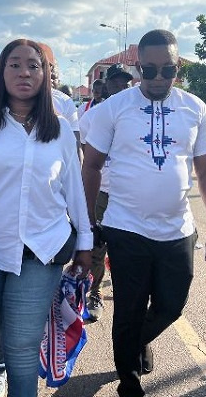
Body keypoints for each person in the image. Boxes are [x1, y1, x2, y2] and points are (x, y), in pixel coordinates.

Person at [82, 29, 206, 397]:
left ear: (178, 68)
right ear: (136, 66)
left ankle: (132, 343)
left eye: (168, 70)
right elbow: (92, 166)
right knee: (128, 308)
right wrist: (87, 223)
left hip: (178, 229)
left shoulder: (195, 108)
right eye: (149, 70)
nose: (159, 78)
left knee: (171, 306)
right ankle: (129, 382)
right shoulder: (114, 109)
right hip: (126, 227)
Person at [0, 38, 92, 397]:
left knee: (22, 342)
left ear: (46, 75)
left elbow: (74, 190)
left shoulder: (58, 130)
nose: (24, 72)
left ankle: (15, 380)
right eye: (14, 64)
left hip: (42, 250)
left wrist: (86, 243)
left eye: (34, 65)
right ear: (1, 72)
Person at [80, 63, 132, 322]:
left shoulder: (139, 114)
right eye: (116, 82)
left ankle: (128, 293)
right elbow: (85, 159)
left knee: (127, 249)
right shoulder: (92, 117)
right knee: (97, 248)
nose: (122, 86)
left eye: (126, 82)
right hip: (102, 193)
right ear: (107, 84)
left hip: (130, 196)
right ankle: (95, 291)